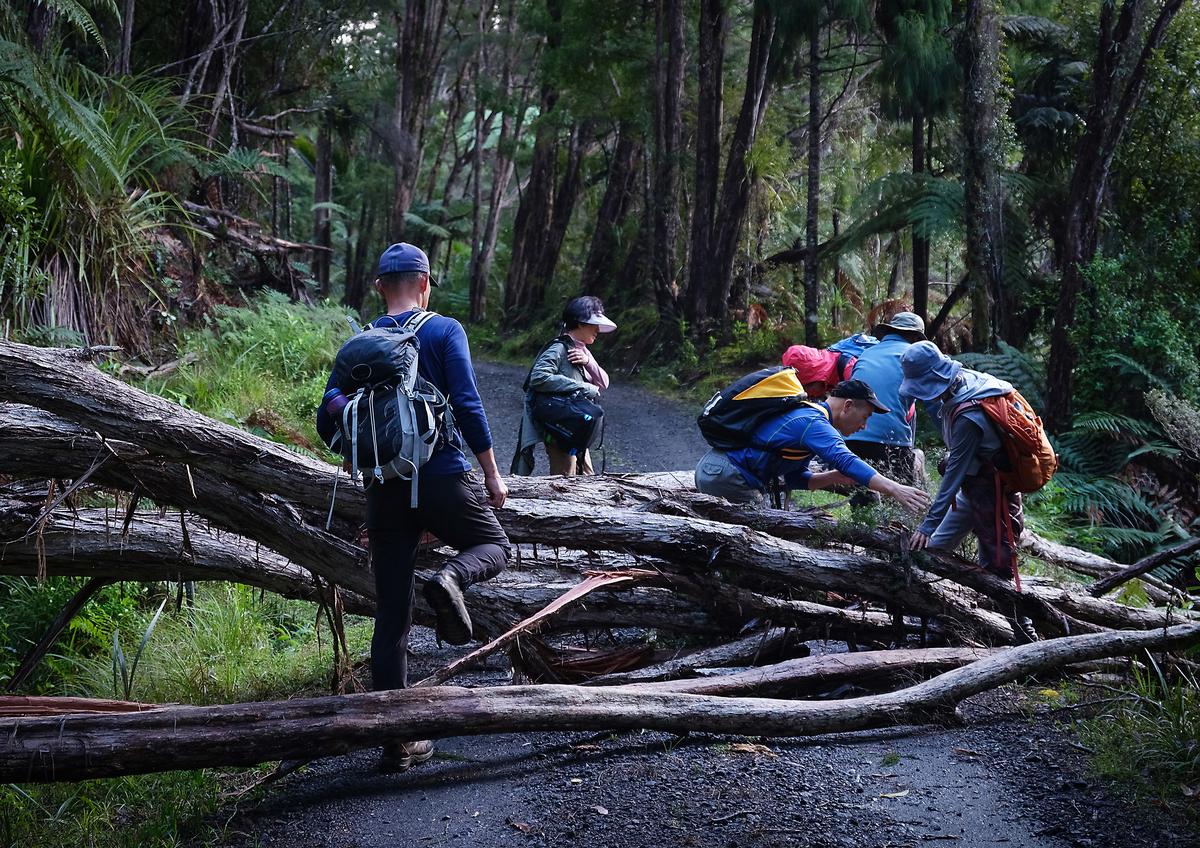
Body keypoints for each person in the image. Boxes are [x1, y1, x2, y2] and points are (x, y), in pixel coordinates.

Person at [316, 242, 510, 772]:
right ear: (426, 282)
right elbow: (468, 404)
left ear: (380, 286)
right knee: (494, 544)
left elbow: (325, 421)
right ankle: (450, 579)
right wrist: (492, 474)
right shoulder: (445, 331)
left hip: (384, 488)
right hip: (443, 476)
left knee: (392, 614)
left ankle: (395, 742)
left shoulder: (361, 343)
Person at [694, 379, 931, 512]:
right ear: (848, 406)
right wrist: (895, 489)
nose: (864, 426)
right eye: (866, 416)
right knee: (755, 537)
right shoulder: (814, 423)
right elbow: (846, 459)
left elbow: (796, 478)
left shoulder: (810, 419)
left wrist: (834, 476)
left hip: (715, 470)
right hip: (728, 475)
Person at [901, 341, 1024, 583]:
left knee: (997, 568)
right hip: (972, 489)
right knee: (934, 549)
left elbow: (954, 473)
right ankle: (931, 610)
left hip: (993, 496)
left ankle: (1020, 620)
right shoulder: (965, 382)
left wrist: (927, 525)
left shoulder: (969, 416)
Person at [511, 295, 616, 476]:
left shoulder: (582, 349)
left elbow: (604, 382)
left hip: (575, 426)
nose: (598, 330)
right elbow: (538, 378)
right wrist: (584, 387)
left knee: (587, 476)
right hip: (560, 427)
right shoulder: (559, 348)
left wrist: (588, 362)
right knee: (565, 480)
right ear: (581, 323)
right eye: (594, 324)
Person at [846, 312, 928, 488]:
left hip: (852, 438)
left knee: (864, 500)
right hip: (891, 441)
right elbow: (932, 401)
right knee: (903, 501)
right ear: (915, 337)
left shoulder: (865, 354)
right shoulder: (914, 355)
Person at [779, 344, 855, 399]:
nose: (807, 394)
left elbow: (858, 411)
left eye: (805, 388)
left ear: (814, 378)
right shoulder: (832, 369)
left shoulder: (851, 370)